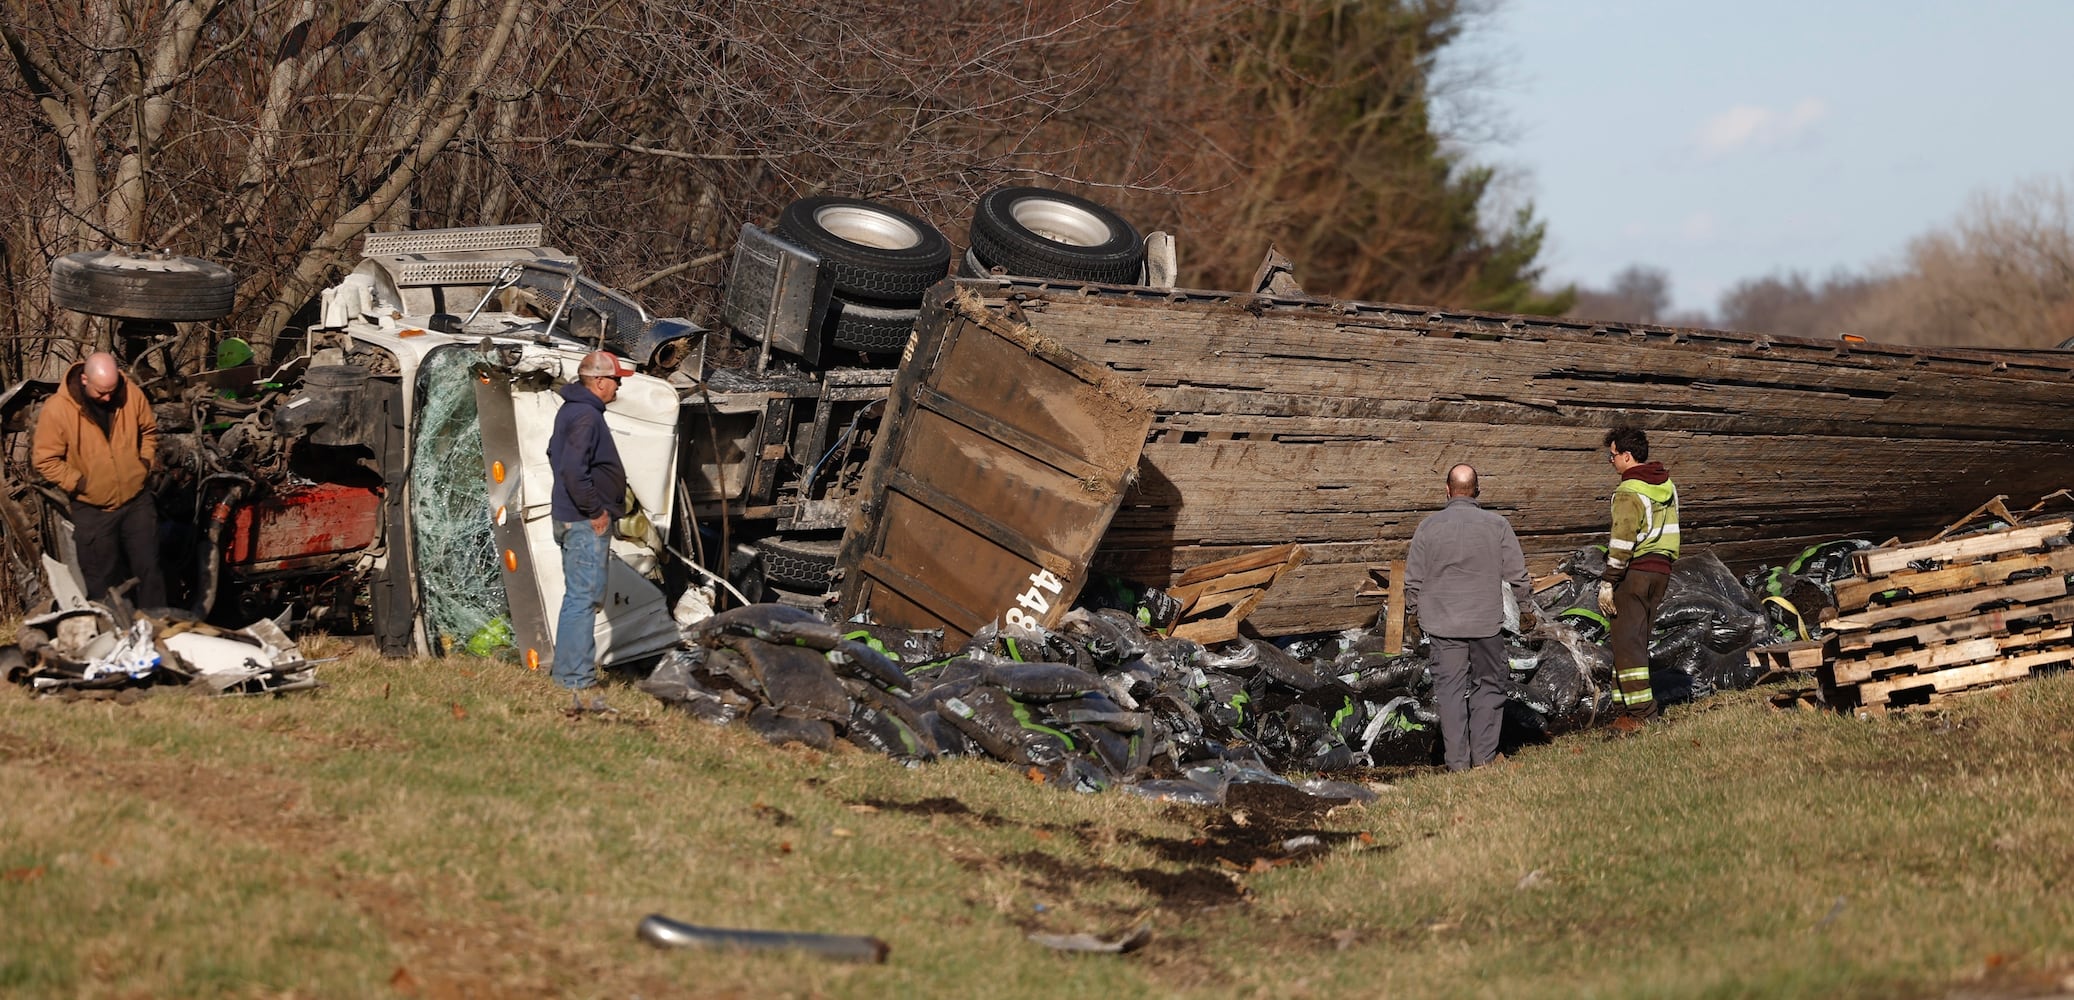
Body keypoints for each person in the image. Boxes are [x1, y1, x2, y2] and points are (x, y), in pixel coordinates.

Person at [1402, 463, 1534, 772]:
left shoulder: (1428, 527)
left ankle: (1457, 763)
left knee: (1449, 693)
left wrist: (1411, 614)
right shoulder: (1497, 525)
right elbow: (1517, 572)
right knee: (1488, 684)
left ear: (1447, 490)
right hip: (1484, 622)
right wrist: (1526, 608)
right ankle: (1484, 759)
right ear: (1477, 490)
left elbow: (1413, 579)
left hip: (1442, 624)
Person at [32, 351, 166, 607]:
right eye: (101, 392)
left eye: (112, 390)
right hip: (93, 509)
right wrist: (80, 483)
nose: (108, 397)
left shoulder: (130, 394)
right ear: (84, 380)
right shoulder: (57, 410)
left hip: (136, 501)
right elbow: (45, 460)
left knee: (150, 570)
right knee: (102, 581)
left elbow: (149, 432)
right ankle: (116, 637)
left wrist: (144, 463)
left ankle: (158, 630)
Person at [547, 349, 632, 710]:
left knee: (577, 598)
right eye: (615, 381)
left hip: (570, 517)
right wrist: (594, 510)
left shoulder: (572, 410)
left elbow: (553, 453)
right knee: (584, 599)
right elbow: (571, 468)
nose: (618, 388)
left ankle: (567, 672)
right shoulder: (586, 416)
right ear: (598, 382)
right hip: (584, 522)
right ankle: (575, 679)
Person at [1598, 425, 1680, 731]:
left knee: (1627, 643)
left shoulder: (1628, 491)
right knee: (1635, 640)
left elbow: (1622, 540)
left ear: (1627, 456)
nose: (1611, 461)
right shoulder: (1667, 485)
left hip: (1633, 573)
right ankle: (1626, 711)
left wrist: (1609, 579)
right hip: (1661, 572)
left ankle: (1643, 714)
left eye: (1613, 455)